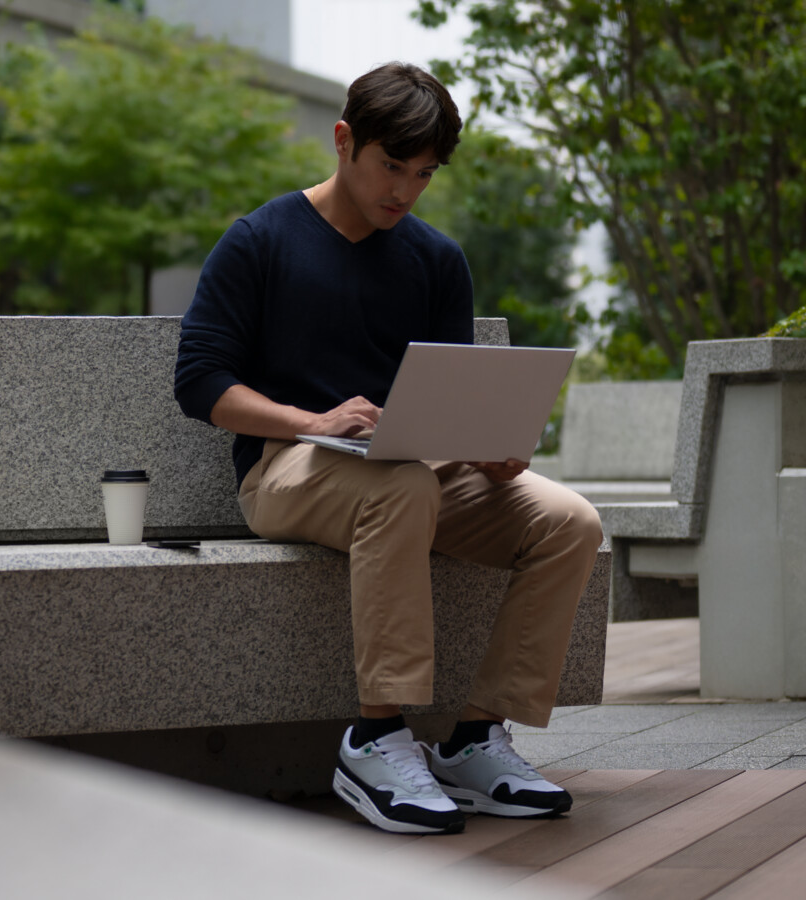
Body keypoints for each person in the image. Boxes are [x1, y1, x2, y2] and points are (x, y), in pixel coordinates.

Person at [173, 63, 603, 836]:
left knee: (567, 520)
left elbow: (451, 393)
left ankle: (475, 738)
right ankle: (375, 736)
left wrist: (487, 449)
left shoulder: (436, 261)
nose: (404, 191)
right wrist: (312, 421)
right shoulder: (260, 240)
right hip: (287, 468)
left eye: (424, 174)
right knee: (401, 486)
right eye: (391, 166)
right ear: (344, 141)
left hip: (411, 469)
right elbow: (200, 383)